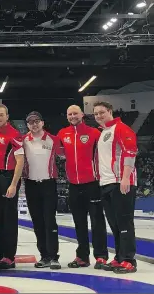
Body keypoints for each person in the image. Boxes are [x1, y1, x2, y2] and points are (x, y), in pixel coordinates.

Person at [57, 105, 109, 269]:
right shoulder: (62, 134)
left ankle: (101, 256)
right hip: (73, 185)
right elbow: (58, 152)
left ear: (82, 115)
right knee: (79, 223)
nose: (73, 116)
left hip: (92, 184)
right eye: (69, 114)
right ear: (67, 116)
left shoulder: (94, 133)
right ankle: (82, 256)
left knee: (97, 221)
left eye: (75, 113)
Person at [93, 101, 138, 274]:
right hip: (106, 183)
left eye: (101, 112)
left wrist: (126, 178)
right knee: (115, 223)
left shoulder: (121, 128)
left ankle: (129, 259)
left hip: (120, 182)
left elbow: (130, 152)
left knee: (124, 222)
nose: (98, 116)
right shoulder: (103, 132)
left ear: (110, 111)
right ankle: (119, 257)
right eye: (96, 114)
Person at [22, 111, 62, 269]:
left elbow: (67, 155)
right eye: (31, 122)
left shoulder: (53, 139)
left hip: (48, 184)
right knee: (37, 221)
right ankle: (44, 255)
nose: (34, 124)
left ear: (42, 123)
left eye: (37, 121)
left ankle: (54, 256)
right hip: (31, 184)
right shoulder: (24, 140)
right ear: (27, 125)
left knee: (50, 220)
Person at [0, 104, 24, 269]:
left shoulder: (14, 134)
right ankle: (1, 253)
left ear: (7, 116)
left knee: (9, 219)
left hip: (8, 177)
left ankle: (9, 256)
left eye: (1, 115)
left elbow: (20, 161)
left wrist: (14, 184)